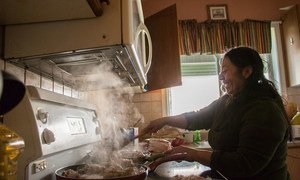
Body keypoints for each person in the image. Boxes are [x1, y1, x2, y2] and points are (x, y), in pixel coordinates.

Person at [141, 47, 291, 180]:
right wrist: (164, 120)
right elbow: (198, 117)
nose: (220, 77)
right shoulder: (228, 101)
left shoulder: (265, 110)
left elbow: (244, 165)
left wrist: (194, 154)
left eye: (225, 71)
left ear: (246, 72)